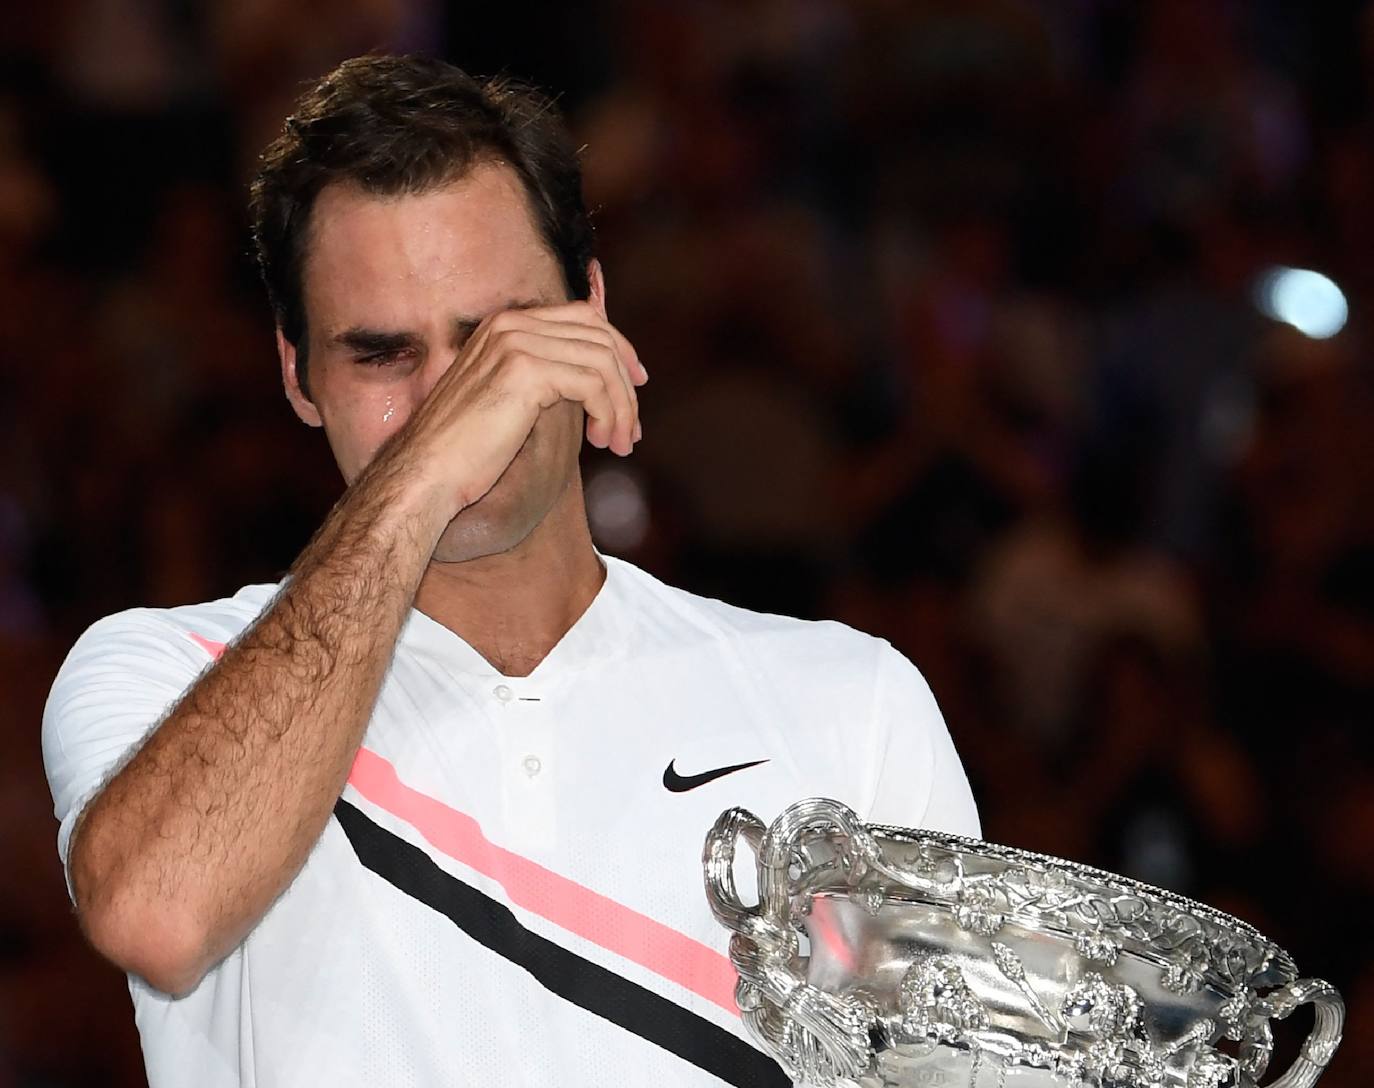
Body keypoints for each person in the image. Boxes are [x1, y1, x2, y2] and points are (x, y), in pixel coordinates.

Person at [41, 54, 980, 1088]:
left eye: (495, 338)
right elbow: (159, 914)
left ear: (593, 306)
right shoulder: (163, 670)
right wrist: (421, 474)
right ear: (296, 376)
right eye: (383, 355)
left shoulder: (853, 701)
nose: (459, 400)